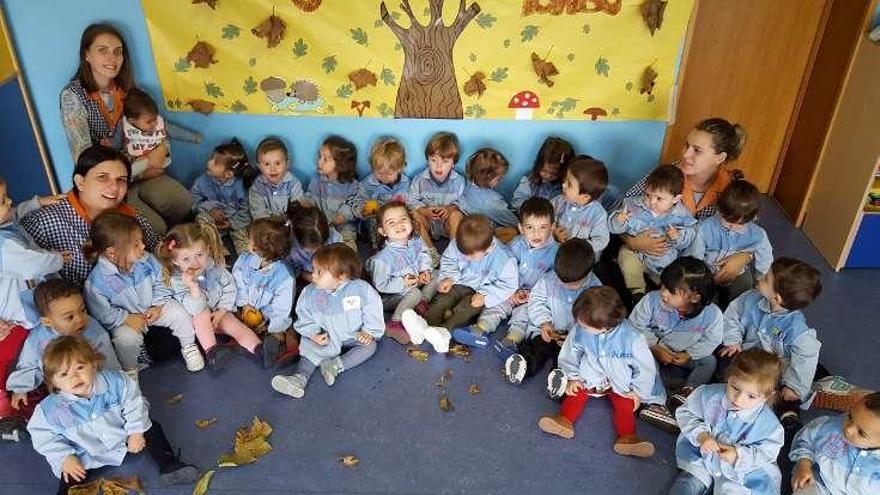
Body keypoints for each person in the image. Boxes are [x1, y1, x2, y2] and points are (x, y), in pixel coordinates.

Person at [60, 24, 192, 235]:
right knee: (153, 227)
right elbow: (85, 160)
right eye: (102, 50)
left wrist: (160, 150)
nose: (112, 58)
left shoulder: (129, 87)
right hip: (110, 181)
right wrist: (142, 169)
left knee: (182, 202)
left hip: (140, 169)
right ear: (86, 54)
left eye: (118, 51)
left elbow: (155, 127)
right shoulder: (73, 96)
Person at [27, 336, 199, 494]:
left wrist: (136, 431)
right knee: (70, 472)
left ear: (94, 364)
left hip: (125, 437)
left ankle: (169, 465)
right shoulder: (49, 409)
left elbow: (135, 403)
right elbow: (43, 436)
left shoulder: (116, 382)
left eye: (80, 367)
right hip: (87, 452)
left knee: (152, 428)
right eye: (64, 374)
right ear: (53, 381)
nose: (74, 377)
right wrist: (64, 457)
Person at [538, 286, 663, 458]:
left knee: (625, 404)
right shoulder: (581, 328)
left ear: (606, 326)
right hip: (590, 376)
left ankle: (628, 437)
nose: (579, 326)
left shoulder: (632, 338)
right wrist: (572, 377)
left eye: (584, 325)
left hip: (620, 382)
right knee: (576, 392)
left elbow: (645, 368)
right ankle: (563, 420)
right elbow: (570, 352)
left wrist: (638, 391)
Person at [83, 212, 204, 377]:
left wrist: (158, 305)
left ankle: (189, 346)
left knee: (180, 314)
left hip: (153, 308)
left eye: (141, 241)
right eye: (136, 244)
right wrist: (125, 318)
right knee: (125, 340)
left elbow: (162, 281)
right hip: (126, 320)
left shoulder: (146, 260)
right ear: (112, 253)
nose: (142, 246)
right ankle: (130, 370)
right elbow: (101, 312)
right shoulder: (96, 282)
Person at [21, 145, 158, 286]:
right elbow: (27, 282)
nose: (114, 187)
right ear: (80, 182)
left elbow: (156, 250)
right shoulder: (43, 222)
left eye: (121, 180)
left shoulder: (131, 216)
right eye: (103, 177)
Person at [621, 118, 746, 270]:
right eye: (686, 145)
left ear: (720, 158)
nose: (686, 154)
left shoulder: (732, 189)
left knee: (742, 280)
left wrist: (744, 256)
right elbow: (620, 211)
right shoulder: (667, 176)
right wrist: (633, 242)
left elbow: (749, 231)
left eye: (697, 150)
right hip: (656, 259)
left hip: (705, 265)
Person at [719, 257, 822, 431]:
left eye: (766, 278)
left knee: (786, 395)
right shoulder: (750, 299)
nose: (760, 278)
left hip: (773, 371)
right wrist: (733, 340)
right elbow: (732, 316)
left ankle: (789, 415)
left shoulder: (797, 330)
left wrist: (794, 387)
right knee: (723, 362)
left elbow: (807, 356)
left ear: (777, 298)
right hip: (746, 357)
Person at [271, 244, 384, 399]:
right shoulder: (310, 293)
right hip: (326, 337)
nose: (313, 275)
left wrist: (369, 331)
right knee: (310, 347)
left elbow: (373, 309)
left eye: (319, 272)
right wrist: (313, 334)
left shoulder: (361, 290)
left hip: (353, 334)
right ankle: (299, 378)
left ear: (342, 276)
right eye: (313, 269)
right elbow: (304, 315)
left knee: (370, 346)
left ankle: (336, 365)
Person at [669, 349, 785, 495]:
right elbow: (686, 412)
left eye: (751, 396)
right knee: (687, 485)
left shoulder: (769, 426)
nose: (738, 399)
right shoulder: (708, 394)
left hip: (742, 472)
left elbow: (767, 452)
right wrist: (701, 435)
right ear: (728, 377)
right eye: (735, 388)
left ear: (767, 396)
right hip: (704, 457)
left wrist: (738, 454)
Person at [630, 257, 723, 431]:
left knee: (710, 361)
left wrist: (689, 354)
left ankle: (686, 393)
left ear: (695, 297)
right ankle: (655, 403)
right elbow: (635, 326)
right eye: (663, 286)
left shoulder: (713, 315)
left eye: (671, 292)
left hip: (684, 360)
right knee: (639, 354)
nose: (663, 293)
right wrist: (655, 347)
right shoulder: (651, 301)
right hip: (655, 358)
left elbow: (712, 339)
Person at [6, 279, 120, 420]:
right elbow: (28, 364)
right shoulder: (39, 338)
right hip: (57, 389)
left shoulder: (94, 332)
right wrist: (20, 388)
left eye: (82, 310)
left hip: (90, 385)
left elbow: (109, 362)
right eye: (70, 317)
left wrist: (114, 386)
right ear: (47, 321)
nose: (80, 319)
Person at [157, 223, 262, 370]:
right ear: (175, 261)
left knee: (235, 325)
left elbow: (229, 286)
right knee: (202, 313)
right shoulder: (177, 281)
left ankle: (258, 348)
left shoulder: (213, 267)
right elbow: (194, 309)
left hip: (218, 313)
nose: (195, 263)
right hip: (199, 322)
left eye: (199, 255)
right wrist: (193, 287)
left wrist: (222, 310)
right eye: (186, 259)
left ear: (207, 250)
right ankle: (213, 352)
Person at [502, 238, 601, 385]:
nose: (565, 286)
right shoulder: (548, 280)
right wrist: (544, 322)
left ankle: (559, 381)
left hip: (573, 340)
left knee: (569, 359)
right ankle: (523, 366)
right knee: (535, 348)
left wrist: (575, 336)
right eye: (561, 280)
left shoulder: (596, 291)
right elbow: (537, 301)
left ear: (587, 274)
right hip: (546, 331)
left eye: (572, 284)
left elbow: (594, 322)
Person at [464, 197, 558, 349]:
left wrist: (532, 295)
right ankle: (479, 330)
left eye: (542, 227)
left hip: (534, 296)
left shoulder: (556, 253)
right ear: (521, 228)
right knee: (496, 305)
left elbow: (553, 283)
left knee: (525, 316)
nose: (536, 233)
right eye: (530, 227)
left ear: (552, 227)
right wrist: (510, 291)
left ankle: (510, 342)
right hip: (510, 289)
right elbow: (504, 270)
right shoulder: (516, 244)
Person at [423, 214, 518, 345]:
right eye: (463, 254)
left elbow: (508, 285)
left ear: (488, 249)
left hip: (479, 292)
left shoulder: (505, 260)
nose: (466, 258)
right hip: (459, 282)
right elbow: (449, 259)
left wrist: (485, 296)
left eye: (471, 256)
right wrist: (449, 277)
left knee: (465, 310)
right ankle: (424, 325)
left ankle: (444, 333)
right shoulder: (459, 243)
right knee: (442, 300)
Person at [609, 165, 696, 302]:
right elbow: (614, 228)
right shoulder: (634, 206)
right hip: (637, 253)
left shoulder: (682, 217)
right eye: (648, 195)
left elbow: (689, 240)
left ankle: (663, 291)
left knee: (674, 273)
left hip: (663, 262)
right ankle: (637, 292)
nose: (651, 202)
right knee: (625, 253)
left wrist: (678, 236)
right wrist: (618, 221)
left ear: (676, 199)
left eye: (659, 198)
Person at [0, 176, 70, 330]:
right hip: (20, 313)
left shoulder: (4, 223)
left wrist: (37, 203)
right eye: (3, 201)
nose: (10, 201)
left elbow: (15, 212)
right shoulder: (3, 247)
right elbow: (32, 265)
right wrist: (57, 259)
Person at [689, 179, 772, 307]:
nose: (732, 227)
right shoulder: (705, 227)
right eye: (728, 221)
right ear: (720, 209)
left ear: (753, 218)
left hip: (738, 273)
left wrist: (760, 277)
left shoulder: (757, 234)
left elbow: (765, 255)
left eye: (740, 224)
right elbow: (695, 255)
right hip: (710, 272)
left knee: (744, 289)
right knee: (706, 299)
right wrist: (701, 277)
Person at [366, 201, 436, 345]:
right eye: (391, 223)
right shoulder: (382, 259)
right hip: (391, 296)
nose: (399, 225)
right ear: (383, 231)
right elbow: (381, 286)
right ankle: (395, 323)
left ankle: (422, 302)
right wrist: (403, 282)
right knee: (414, 293)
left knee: (437, 274)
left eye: (403, 219)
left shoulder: (416, 241)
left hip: (415, 284)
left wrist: (425, 270)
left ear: (411, 221)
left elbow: (424, 255)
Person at [232, 217, 295, 368]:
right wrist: (245, 304)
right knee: (229, 315)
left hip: (267, 317)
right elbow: (237, 281)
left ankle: (277, 344)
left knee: (285, 327)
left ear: (255, 248)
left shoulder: (285, 277)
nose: (248, 242)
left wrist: (267, 322)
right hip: (245, 308)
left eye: (250, 240)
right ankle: (246, 340)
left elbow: (281, 307)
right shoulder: (244, 260)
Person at [789, 392, 880, 494]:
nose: (848, 429)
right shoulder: (829, 426)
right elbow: (805, 439)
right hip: (820, 484)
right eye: (850, 416)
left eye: (861, 432)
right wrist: (804, 463)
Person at [407, 131, 466, 265]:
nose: (438, 166)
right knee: (413, 214)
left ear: (453, 163)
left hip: (447, 225)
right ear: (427, 160)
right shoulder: (420, 179)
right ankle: (430, 251)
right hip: (427, 224)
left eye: (445, 161)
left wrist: (450, 209)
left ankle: (453, 252)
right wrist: (424, 210)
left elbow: (463, 202)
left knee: (457, 215)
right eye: (433, 160)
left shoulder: (458, 181)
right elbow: (411, 201)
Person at [190, 139, 254, 256]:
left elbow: (245, 211)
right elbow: (193, 200)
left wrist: (231, 223)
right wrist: (209, 209)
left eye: (215, 162)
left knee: (244, 235)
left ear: (229, 174)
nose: (209, 162)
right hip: (212, 219)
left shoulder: (240, 187)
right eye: (211, 158)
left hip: (233, 221)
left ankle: (245, 258)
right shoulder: (202, 181)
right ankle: (217, 249)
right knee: (201, 223)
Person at [307, 135, 361, 252]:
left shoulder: (353, 185)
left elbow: (355, 205)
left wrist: (344, 214)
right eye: (319, 156)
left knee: (347, 252)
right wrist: (305, 204)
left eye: (325, 159)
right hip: (322, 229)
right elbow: (311, 200)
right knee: (316, 250)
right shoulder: (316, 182)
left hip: (344, 230)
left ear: (340, 164)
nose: (319, 161)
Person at [356, 137, 411, 250]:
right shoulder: (367, 184)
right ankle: (378, 247)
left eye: (389, 174)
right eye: (379, 173)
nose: (384, 177)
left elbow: (410, 202)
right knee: (374, 221)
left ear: (400, 168)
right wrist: (363, 210)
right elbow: (358, 201)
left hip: (395, 222)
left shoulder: (405, 183)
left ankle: (403, 244)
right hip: (374, 223)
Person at [550, 155, 610, 257]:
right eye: (565, 181)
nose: (563, 185)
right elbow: (546, 218)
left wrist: (577, 247)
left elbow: (601, 241)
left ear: (585, 197)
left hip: (579, 258)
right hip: (555, 250)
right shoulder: (558, 201)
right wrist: (553, 231)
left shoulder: (598, 214)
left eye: (569, 184)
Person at [460, 148, 519, 239]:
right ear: (488, 177)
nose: (500, 181)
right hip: (483, 233)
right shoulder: (491, 202)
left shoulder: (465, 184)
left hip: (473, 227)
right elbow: (514, 223)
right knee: (514, 232)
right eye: (498, 179)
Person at [285, 201, 343, 283]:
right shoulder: (291, 249)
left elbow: (342, 261)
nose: (317, 252)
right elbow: (294, 270)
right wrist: (311, 278)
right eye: (311, 250)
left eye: (322, 246)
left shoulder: (335, 239)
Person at [248, 137, 304, 219]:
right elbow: (259, 214)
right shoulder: (256, 188)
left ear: (287, 164)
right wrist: (273, 228)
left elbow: (298, 210)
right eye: (267, 164)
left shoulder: (294, 184)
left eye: (277, 163)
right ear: (259, 167)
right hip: (268, 226)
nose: (273, 169)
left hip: (289, 224)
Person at [510, 136, 573, 210]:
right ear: (538, 165)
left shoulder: (565, 186)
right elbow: (518, 202)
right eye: (544, 171)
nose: (548, 176)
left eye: (554, 174)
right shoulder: (529, 181)